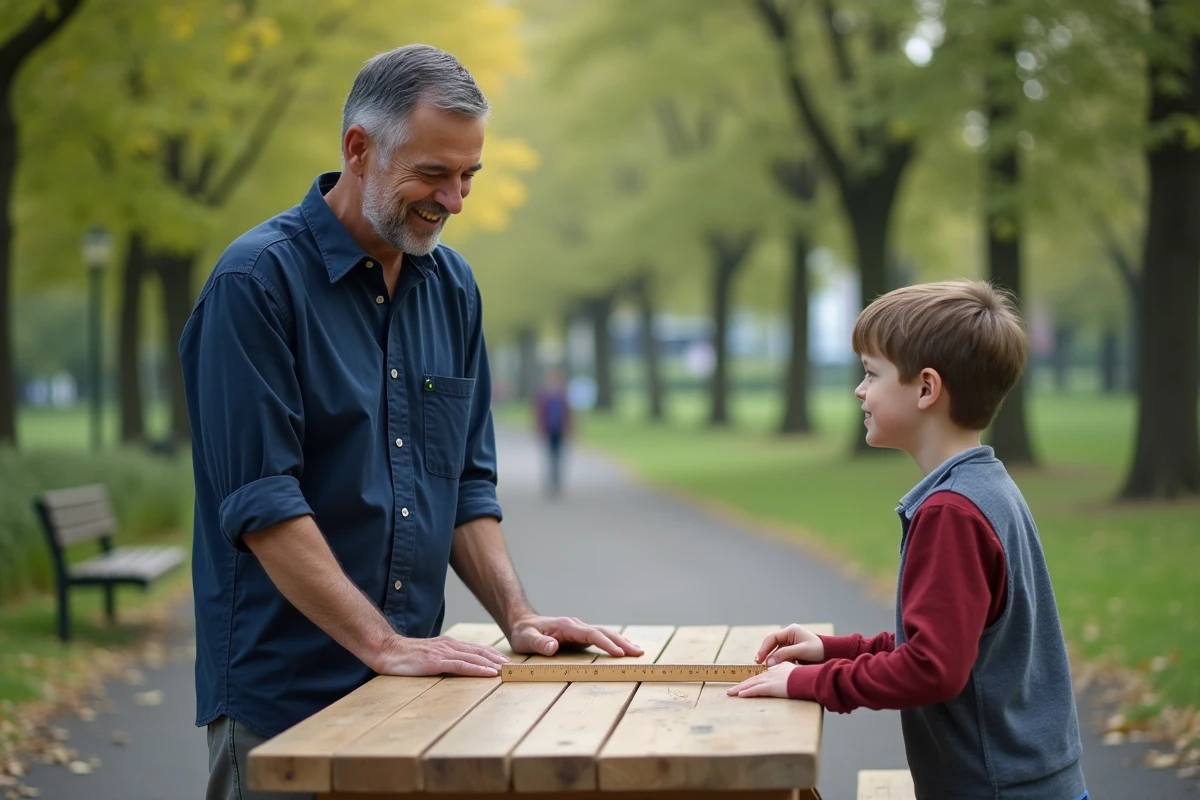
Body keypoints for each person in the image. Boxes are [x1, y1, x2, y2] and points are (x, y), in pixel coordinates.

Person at [179, 44, 642, 800]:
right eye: (433, 174)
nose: (455, 200)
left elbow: (462, 483)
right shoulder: (253, 284)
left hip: (418, 695)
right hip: (286, 698)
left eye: (468, 177)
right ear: (358, 149)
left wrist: (517, 617)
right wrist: (381, 644)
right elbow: (263, 505)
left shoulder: (454, 288)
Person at [727, 281, 1088, 800]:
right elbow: (954, 646)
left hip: (995, 789)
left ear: (925, 389)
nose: (859, 390)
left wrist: (809, 684)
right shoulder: (987, 486)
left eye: (871, 373)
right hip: (1027, 781)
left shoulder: (950, 513)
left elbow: (932, 670)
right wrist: (833, 651)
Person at [532, 368, 572, 497]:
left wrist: (571, 428)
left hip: (560, 430)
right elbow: (539, 413)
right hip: (548, 430)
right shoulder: (544, 395)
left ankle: (557, 481)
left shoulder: (563, 395)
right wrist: (538, 427)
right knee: (549, 457)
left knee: (558, 457)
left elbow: (569, 413)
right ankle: (550, 482)